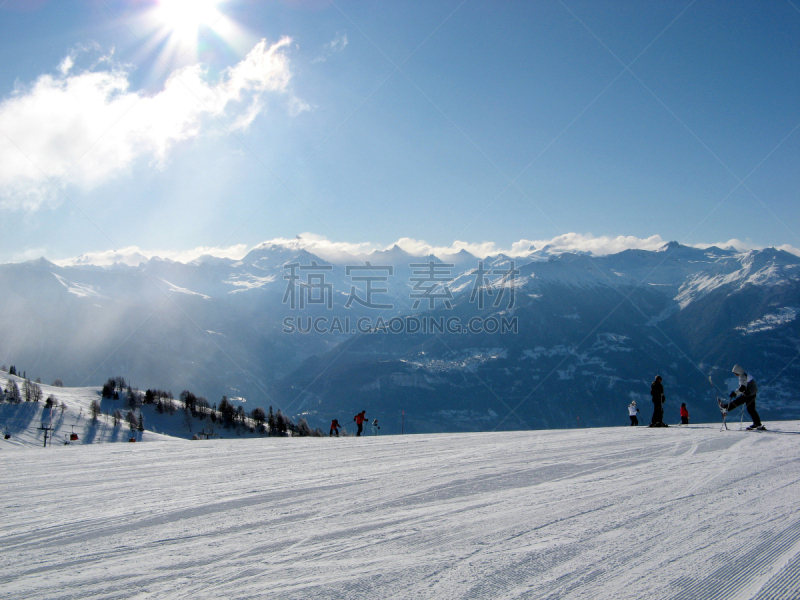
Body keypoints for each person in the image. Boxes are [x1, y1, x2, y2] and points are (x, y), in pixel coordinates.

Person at [720, 364, 763, 430]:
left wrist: (735, 393)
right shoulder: (745, 374)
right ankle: (757, 424)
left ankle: (726, 408)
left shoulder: (742, 376)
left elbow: (743, 387)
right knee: (751, 409)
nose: (735, 374)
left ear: (738, 372)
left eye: (735, 373)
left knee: (738, 402)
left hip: (749, 394)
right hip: (752, 393)